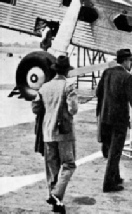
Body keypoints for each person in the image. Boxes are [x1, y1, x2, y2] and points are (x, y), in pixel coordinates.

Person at [96, 48, 132, 193]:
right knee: (115, 152)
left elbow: (97, 92)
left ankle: (116, 177)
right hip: (119, 120)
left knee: (111, 150)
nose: (131, 63)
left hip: (105, 118)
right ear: (125, 61)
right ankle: (108, 184)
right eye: (130, 60)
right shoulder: (127, 77)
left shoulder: (107, 72)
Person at [32, 55, 78, 214]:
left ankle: (56, 203)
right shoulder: (69, 86)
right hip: (64, 134)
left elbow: (35, 108)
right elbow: (73, 110)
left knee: (52, 168)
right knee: (69, 164)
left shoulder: (44, 87)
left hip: (47, 133)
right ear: (66, 71)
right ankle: (57, 194)